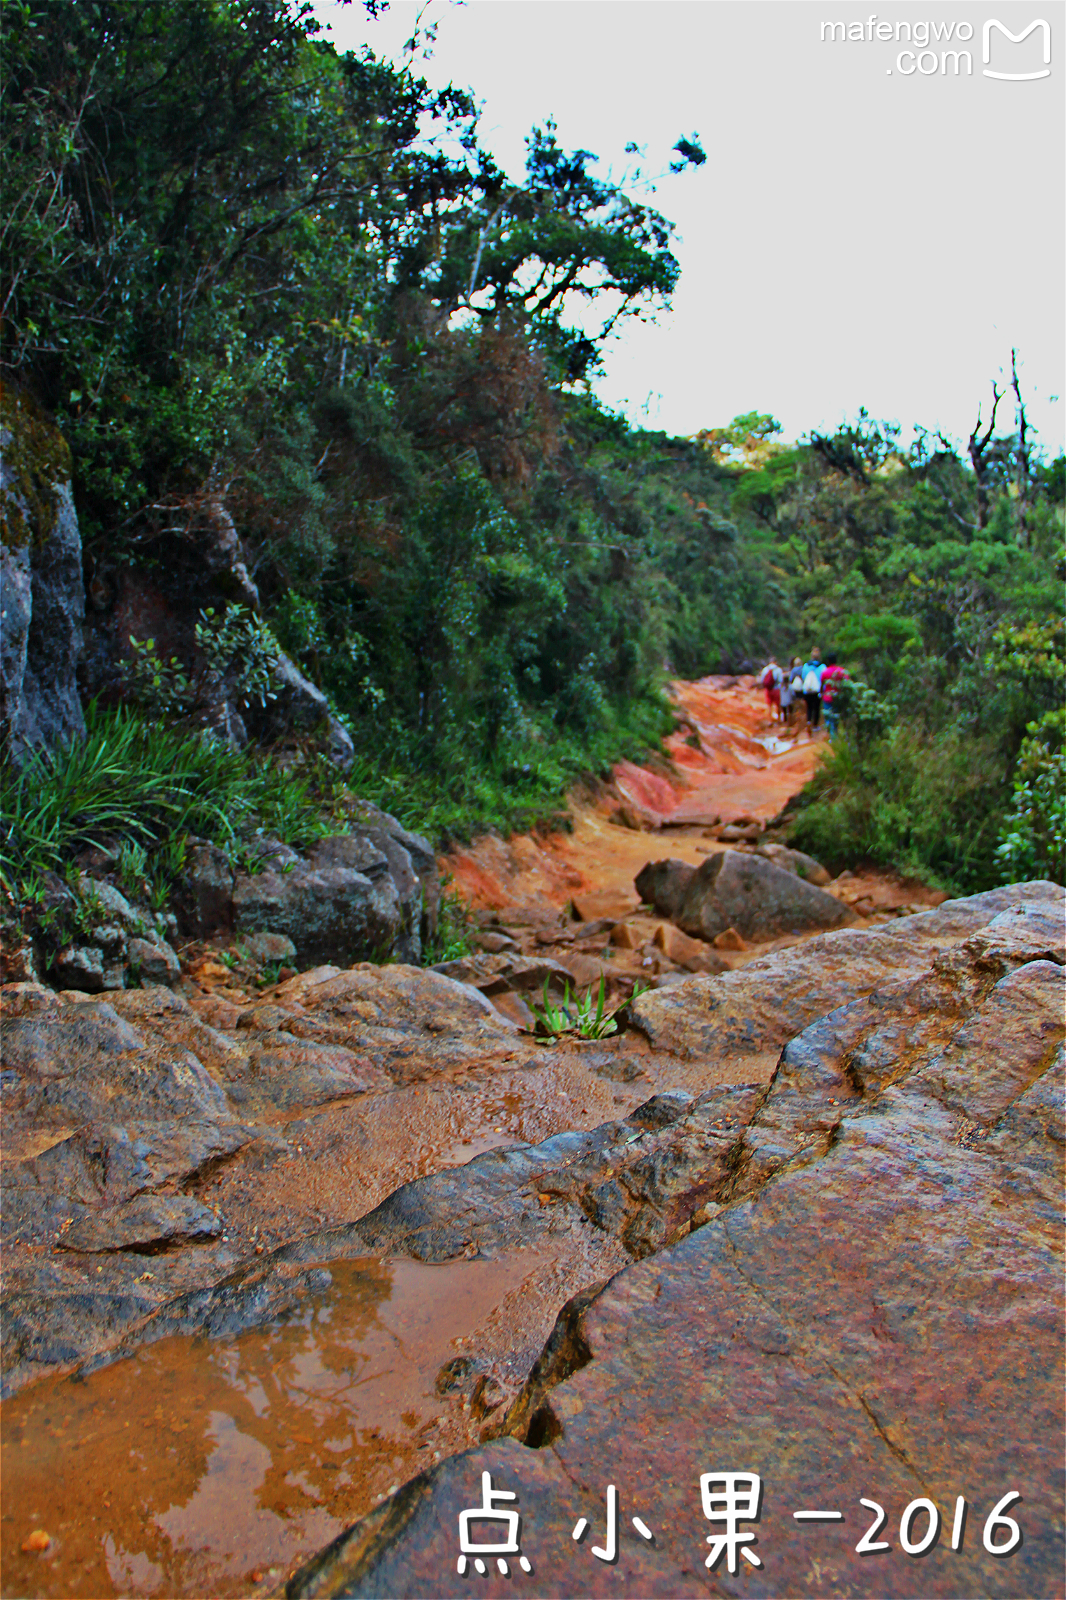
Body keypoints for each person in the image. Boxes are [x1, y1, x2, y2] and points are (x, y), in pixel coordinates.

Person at [820, 652, 848, 741]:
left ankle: (833, 737)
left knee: (829, 718)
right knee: (836, 717)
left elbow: (822, 685)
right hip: (838, 698)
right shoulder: (841, 671)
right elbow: (847, 682)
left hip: (827, 698)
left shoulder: (825, 672)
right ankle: (837, 735)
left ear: (828, 661)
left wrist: (822, 694)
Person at [800, 649, 824, 731]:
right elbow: (823, 679)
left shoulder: (806, 666)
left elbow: (803, 677)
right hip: (817, 691)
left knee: (809, 707)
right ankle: (815, 725)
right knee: (816, 708)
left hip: (807, 691)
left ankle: (808, 721)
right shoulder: (822, 666)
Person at [759, 657, 783, 721]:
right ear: (776, 662)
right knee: (778, 704)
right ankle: (779, 719)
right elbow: (780, 680)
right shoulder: (778, 670)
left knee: (769, 704)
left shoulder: (765, 669)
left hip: (768, 689)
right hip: (776, 689)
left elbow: (762, 680)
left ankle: (770, 720)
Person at [779, 658, 796, 725]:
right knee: (790, 711)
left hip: (783, 702)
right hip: (789, 701)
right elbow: (792, 693)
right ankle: (790, 722)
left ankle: (785, 722)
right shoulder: (790, 686)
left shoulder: (781, 686)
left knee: (785, 712)